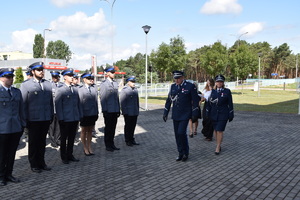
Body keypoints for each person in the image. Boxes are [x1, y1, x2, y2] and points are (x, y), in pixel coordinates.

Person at [20, 62, 53, 173]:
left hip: (45, 118)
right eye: (38, 70)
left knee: (42, 142)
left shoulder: (47, 84)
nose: (41, 71)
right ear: (33, 71)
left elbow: (50, 102)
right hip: (33, 119)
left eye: (42, 69)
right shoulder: (26, 85)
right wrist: (25, 120)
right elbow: (23, 104)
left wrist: (51, 115)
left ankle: (42, 163)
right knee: (34, 143)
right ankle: (34, 164)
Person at [163, 71, 199, 162]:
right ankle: (180, 153)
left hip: (185, 114)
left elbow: (195, 101)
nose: (177, 80)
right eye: (175, 78)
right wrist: (165, 112)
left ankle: (186, 152)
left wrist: (195, 114)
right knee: (177, 135)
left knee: (181, 132)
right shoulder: (173, 86)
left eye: (178, 78)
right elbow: (169, 100)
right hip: (176, 114)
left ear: (182, 77)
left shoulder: (190, 86)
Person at [0, 68, 26, 186]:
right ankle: (1, 176)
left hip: (15, 128)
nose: (11, 79)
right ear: (1, 77)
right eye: (8, 76)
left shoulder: (16, 91)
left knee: (11, 154)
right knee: (2, 154)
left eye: (12, 76)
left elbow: (21, 110)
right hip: (2, 129)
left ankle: (9, 174)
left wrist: (22, 124)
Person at [55, 68, 82, 164]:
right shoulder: (61, 90)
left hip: (74, 118)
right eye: (70, 76)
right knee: (64, 139)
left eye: (72, 76)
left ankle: (70, 154)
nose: (72, 77)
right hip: (65, 119)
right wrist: (61, 118)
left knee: (72, 138)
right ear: (65, 77)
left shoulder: (75, 89)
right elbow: (58, 105)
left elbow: (78, 104)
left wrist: (79, 116)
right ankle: (64, 156)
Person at [207, 74, 234, 155]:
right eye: (218, 81)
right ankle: (218, 143)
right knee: (215, 130)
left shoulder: (227, 91)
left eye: (221, 81)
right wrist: (207, 112)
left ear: (223, 82)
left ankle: (218, 146)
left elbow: (230, 103)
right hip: (214, 114)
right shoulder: (213, 92)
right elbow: (209, 103)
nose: (219, 83)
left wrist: (231, 113)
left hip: (223, 114)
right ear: (215, 82)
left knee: (219, 130)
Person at [99, 66, 121, 152]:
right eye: (112, 72)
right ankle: (108, 145)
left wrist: (118, 109)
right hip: (108, 110)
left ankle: (112, 144)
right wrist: (104, 110)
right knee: (108, 128)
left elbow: (117, 98)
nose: (113, 74)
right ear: (107, 73)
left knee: (113, 128)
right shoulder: (104, 84)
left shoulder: (115, 83)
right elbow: (103, 98)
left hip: (115, 109)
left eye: (114, 72)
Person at [78, 72, 99, 156]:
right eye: (89, 79)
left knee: (90, 130)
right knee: (84, 130)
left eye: (91, 78)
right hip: (84, 114)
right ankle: (85, 147)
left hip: (92, 113)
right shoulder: (80, 89)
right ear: (84, 80)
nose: (91, 80)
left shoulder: (93, 88)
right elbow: (79, 103)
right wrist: (80, 114)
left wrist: (97, 112)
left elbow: (96, 102)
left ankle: (89, 146)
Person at [120, 76, 140, 147]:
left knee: (133, 126)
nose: (133, 83)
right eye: (132, 82)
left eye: (134, 82)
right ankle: (127, 140)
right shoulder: (124, 90)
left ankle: (132, 139)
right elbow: (122, 102)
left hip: (134, 111)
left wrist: (137, 110)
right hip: (128, 112)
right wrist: (124, 112)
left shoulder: (135, 90)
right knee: (128, 126)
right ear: (128, 82)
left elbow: (137, 101)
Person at [48, 71, 63, 147]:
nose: (54, 78)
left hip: (59, 110)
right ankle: (52, 141)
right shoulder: (49, 86)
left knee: (59, 126)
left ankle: (57, 140)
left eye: (56, 77)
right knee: (52, 127)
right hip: (52, 110)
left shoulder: (61, 85)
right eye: (53, 77)